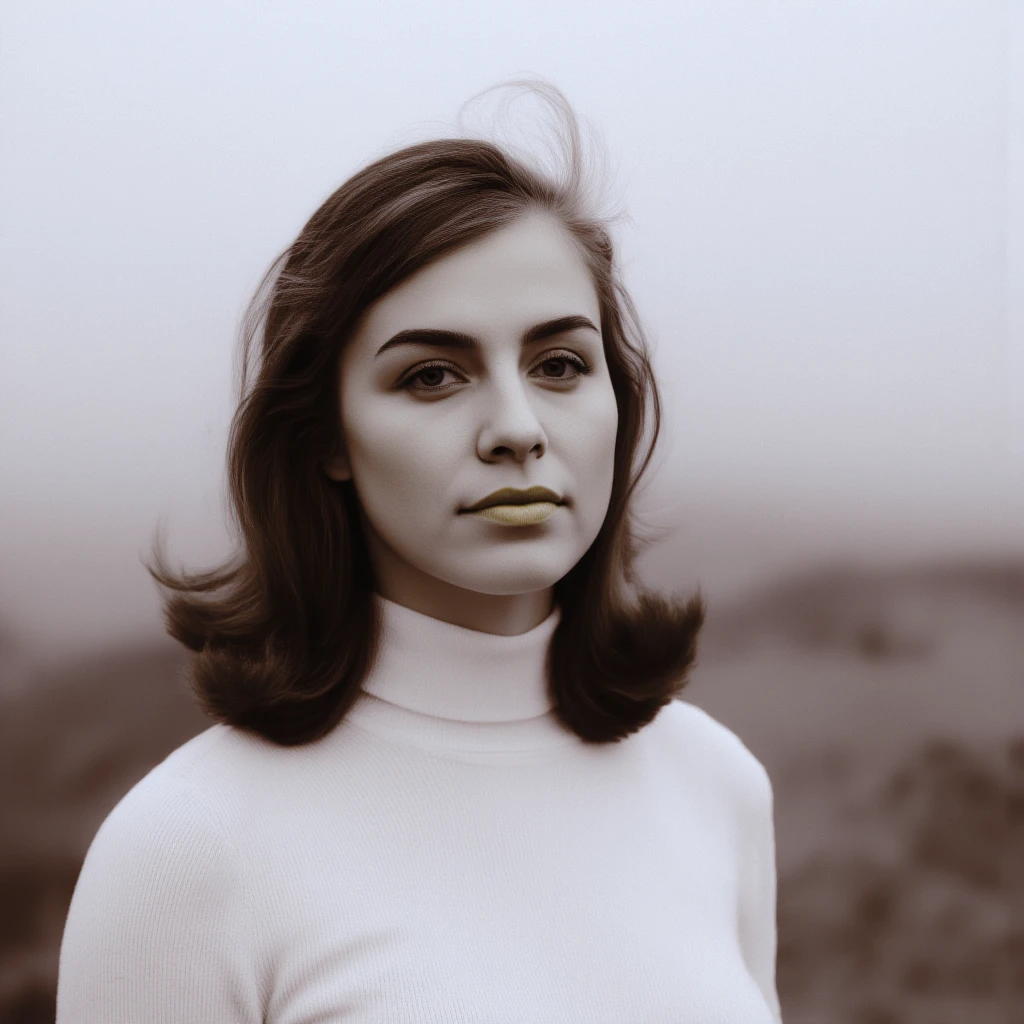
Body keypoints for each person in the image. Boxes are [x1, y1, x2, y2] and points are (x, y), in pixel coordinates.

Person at [56, 82, 783, 1022]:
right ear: (326, 435)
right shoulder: (183, 854)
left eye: (560, 364)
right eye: (432, 375)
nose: (517, 429)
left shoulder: (716, 787)